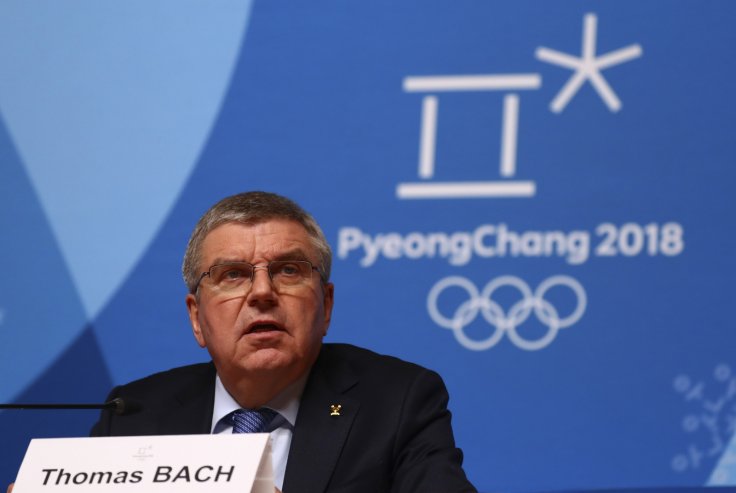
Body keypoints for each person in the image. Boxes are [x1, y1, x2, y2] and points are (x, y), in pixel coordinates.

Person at [90, 191, 477, 493]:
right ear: (196, 318)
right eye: (233, 275)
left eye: (288, 271)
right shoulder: (132, 416)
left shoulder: (397, 403)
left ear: (325, 306)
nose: (262, 292)